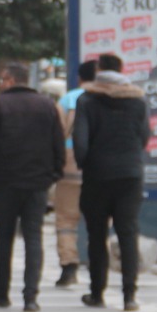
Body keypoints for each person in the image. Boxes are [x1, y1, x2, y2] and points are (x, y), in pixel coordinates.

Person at [0, 62, 64, 312]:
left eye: (3, 79)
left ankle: (2, 291)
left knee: (3, 238)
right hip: (37, 183)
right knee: (33, 238)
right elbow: (57, 144)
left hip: (3, 182)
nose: (1, 83)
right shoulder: (47, 106)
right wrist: (52, 175)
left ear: (10, 80)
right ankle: (31, 296)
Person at [73, 53, 150, 311]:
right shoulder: (137, 100)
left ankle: (97, 292)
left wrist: (86, 164)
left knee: (97, 235)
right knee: (128, 233)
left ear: (99, 70)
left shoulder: (87, 100)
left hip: (97, 176)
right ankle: (130, 295)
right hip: (130, 174)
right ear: (122, 69)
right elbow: (144, 137)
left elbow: (80, 142)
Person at [52, 60, 97, 288]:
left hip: (69, 167)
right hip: (98, 168)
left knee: (66, 219)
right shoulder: (106, 98)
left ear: (79, 78)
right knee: (97, 220)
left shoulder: (68, 99)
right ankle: (97, 263)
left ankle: (69, 266)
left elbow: (56, 133)